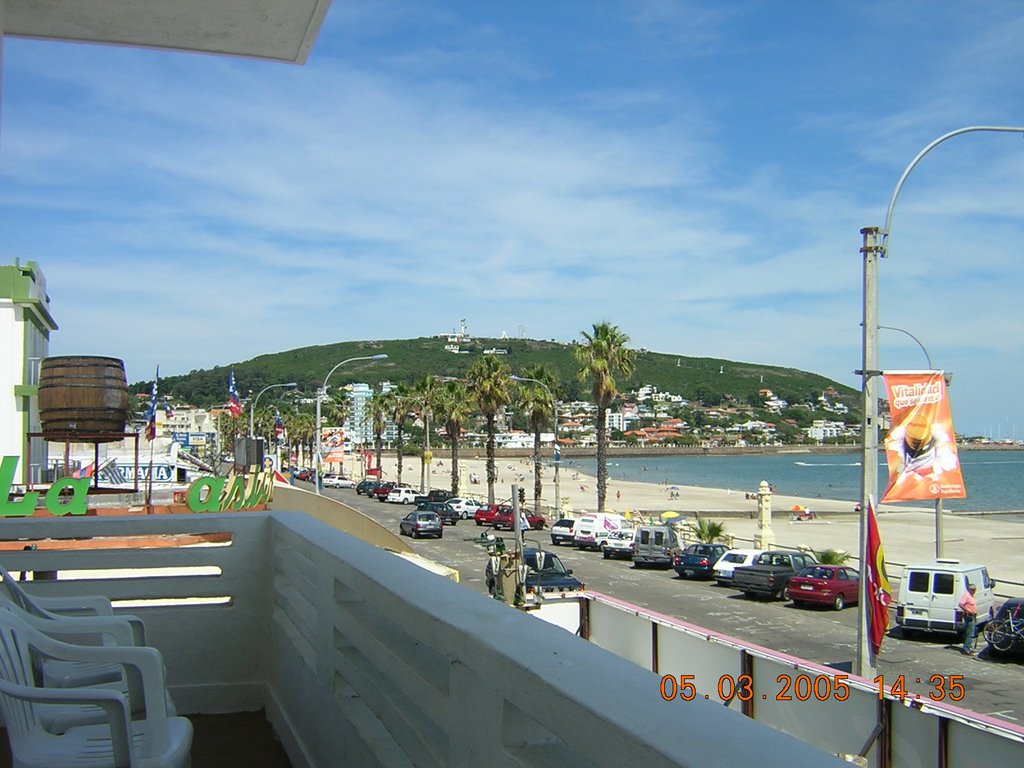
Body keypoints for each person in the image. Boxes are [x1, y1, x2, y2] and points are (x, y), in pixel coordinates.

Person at [958, 583, 978, 655]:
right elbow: (960, 604)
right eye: (973, 590)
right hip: (969, 615)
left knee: (971, 632)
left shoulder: (971, 596)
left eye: (975, 589)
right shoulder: (966, 595)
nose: (974, 591)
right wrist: (967, 610)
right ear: (969, 589)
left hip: (973, 615)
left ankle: (968, 647)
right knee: (969, 633)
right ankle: (966, 649)